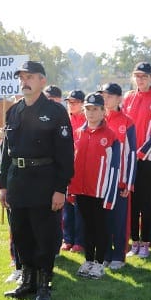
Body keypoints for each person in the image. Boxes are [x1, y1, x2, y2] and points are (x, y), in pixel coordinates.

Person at [0, 60, 74, 300]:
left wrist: (60, 189)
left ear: (42, 80)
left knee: (44, 236)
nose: (25, 81)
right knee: (21, 234)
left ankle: (44, 285)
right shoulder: (14, 111)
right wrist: (2, 184)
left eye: (30, 77)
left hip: (44, 181)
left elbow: (65, 154)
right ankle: (27, 281)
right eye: (22, 77)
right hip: (18, 181)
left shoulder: (56, 112)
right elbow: (6, 153)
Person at [70, 93, 120, 279]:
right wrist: (71, 189)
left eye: (95, 109)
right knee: (86, 226)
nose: (91, 113)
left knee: (101, 227)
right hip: (81, 190)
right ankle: (88, 260)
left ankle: (99, 263)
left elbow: (115, 168)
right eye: (88, 109)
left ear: (102, 111)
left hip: (101, 192)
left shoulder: (111, 136)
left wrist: (110, 196)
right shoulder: (78, 133)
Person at [122, 62, 151, 257]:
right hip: (131, 157)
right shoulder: (129, 97)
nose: (140, 79)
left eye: (144, 76)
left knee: (145, 201)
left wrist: (143, 151)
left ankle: (146, 242)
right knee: (131, 199)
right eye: (137, 76)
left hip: (149, 157)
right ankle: (135, 242)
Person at [100, 82, 136, 270]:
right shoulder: (98, 119)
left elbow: (131, 154)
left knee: (119, 221)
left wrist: (128, 183)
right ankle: (105, 254)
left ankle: (118, 255)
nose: (106, 99)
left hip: (120, 181)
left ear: (119, 98)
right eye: (104, 96)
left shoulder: (127, 122)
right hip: (101, 181)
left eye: (110, 96)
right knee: (103, 220)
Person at [61, 89, 86, 253]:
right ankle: (67, 238)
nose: (71, 105)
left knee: (79, 206)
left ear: (82, 104)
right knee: (65, 205)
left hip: (81, 168)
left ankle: (79, 240)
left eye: (75, 102)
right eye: (69, 102)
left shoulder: (86, 120)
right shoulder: (65, 120)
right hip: (65, 167)